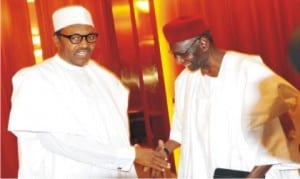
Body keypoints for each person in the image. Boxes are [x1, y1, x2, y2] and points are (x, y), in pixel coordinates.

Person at [8, 5, 169, 178]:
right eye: (75, 38)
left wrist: (140, 156)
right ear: (56, 39)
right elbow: (57, 140)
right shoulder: (34, 79)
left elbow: (115, 136)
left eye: (90, 37)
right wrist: (131, 155)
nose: (84, 44)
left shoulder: (107, 80)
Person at [153, 16, 300, 178]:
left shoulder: (248, 71)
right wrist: (164, 151)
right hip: (203, 171)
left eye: (183, 54)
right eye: (175, 55)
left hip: (246, 171)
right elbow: (181, 130)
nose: (179, 61)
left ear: (203, 43)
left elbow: (279, 133)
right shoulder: (184, 81)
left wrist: (254, 175)